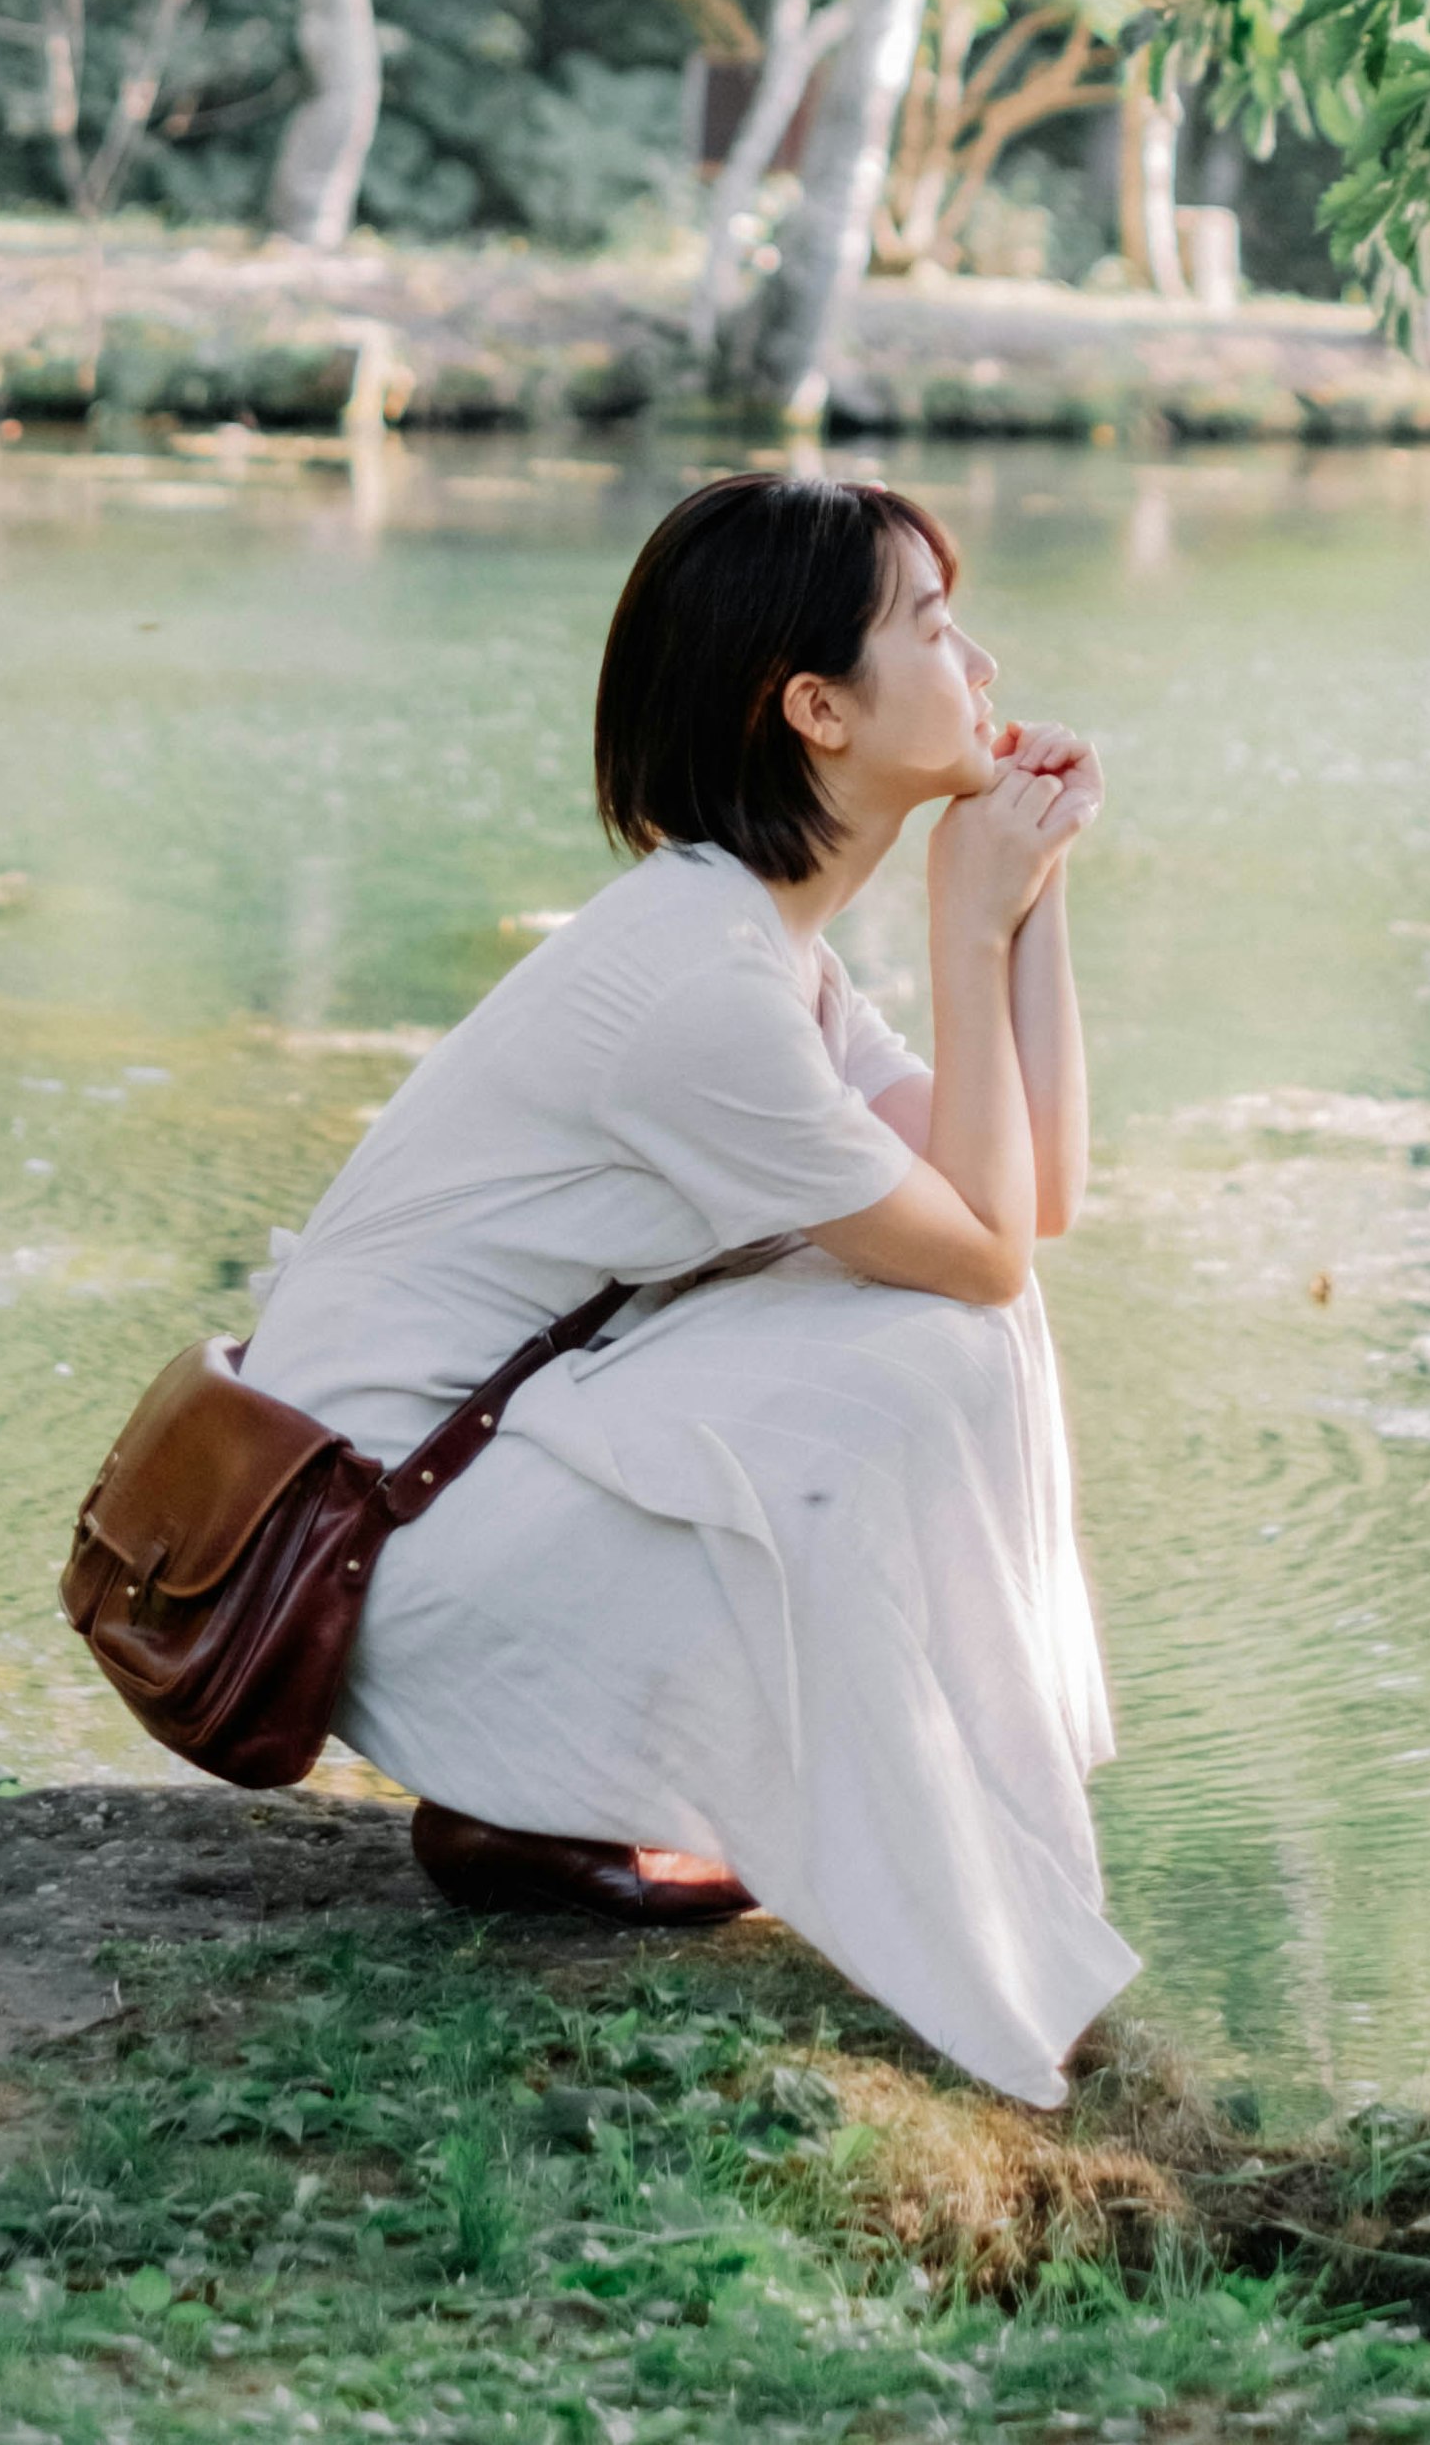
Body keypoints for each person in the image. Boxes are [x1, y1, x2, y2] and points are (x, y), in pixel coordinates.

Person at [238, 463, 1135, 2108]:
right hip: (375, 1539)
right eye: (933, 625)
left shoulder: (761, 946)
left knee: (926, 1335)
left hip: (471, 1469)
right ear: (817, 710)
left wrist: (1031, 905)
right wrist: (962, 907)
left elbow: (1036, 1198)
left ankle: (592, 1799)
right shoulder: (698, 990)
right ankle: (576, 1787)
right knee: (922, 1344)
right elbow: (987, 1251)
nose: (983, 662)